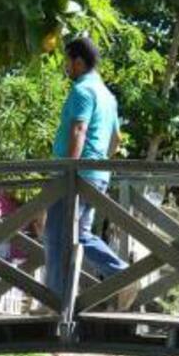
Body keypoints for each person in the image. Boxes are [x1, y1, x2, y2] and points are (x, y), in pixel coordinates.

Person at [44, 36, 130, 297]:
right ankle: (123, 273)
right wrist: (98, 164)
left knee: (56, 236)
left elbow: (79, 129)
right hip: (97, 175)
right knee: (79, 235)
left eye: (67, 61)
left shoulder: (82, 90)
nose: (65, 67)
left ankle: (54, 301)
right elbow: (115, 140)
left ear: (78, 61)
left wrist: (70, 170)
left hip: (75, 176)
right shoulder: (108, 96)